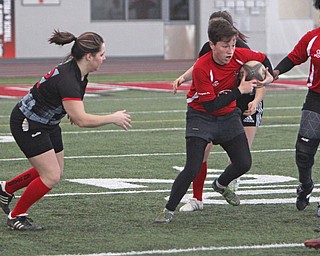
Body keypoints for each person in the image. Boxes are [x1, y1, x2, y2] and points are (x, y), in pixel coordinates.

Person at [0, 30, 132, 231]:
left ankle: (6, 189)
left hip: (47, 122)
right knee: (51, 175)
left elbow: (69, 104)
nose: (104, 58)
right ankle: (16, 215)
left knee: (55, 171)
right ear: (89, 56)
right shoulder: (69, 78)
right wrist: (112, 118)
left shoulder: (79, 72)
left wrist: (69, 110)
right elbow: (81, 120)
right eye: (102, 54)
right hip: (28, 122)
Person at [155, 17, 274, 223]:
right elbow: (210, 105)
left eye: (233, 45)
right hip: (201, 117)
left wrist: (268, 76)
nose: (230, 50)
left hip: (228, 117)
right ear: (212, 45)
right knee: (192, 166)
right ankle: (168, 210)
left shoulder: (240, 55)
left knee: (244, 163)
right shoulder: (202, 67)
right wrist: (240, 90)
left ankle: (220, 184)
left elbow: (264, 59)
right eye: (225, 46)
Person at [273, 0, 320, 216]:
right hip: (315, 100)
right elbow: (294, 57)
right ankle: (306, 185)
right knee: (303, 153)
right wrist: (274, 72)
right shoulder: (313, 37)